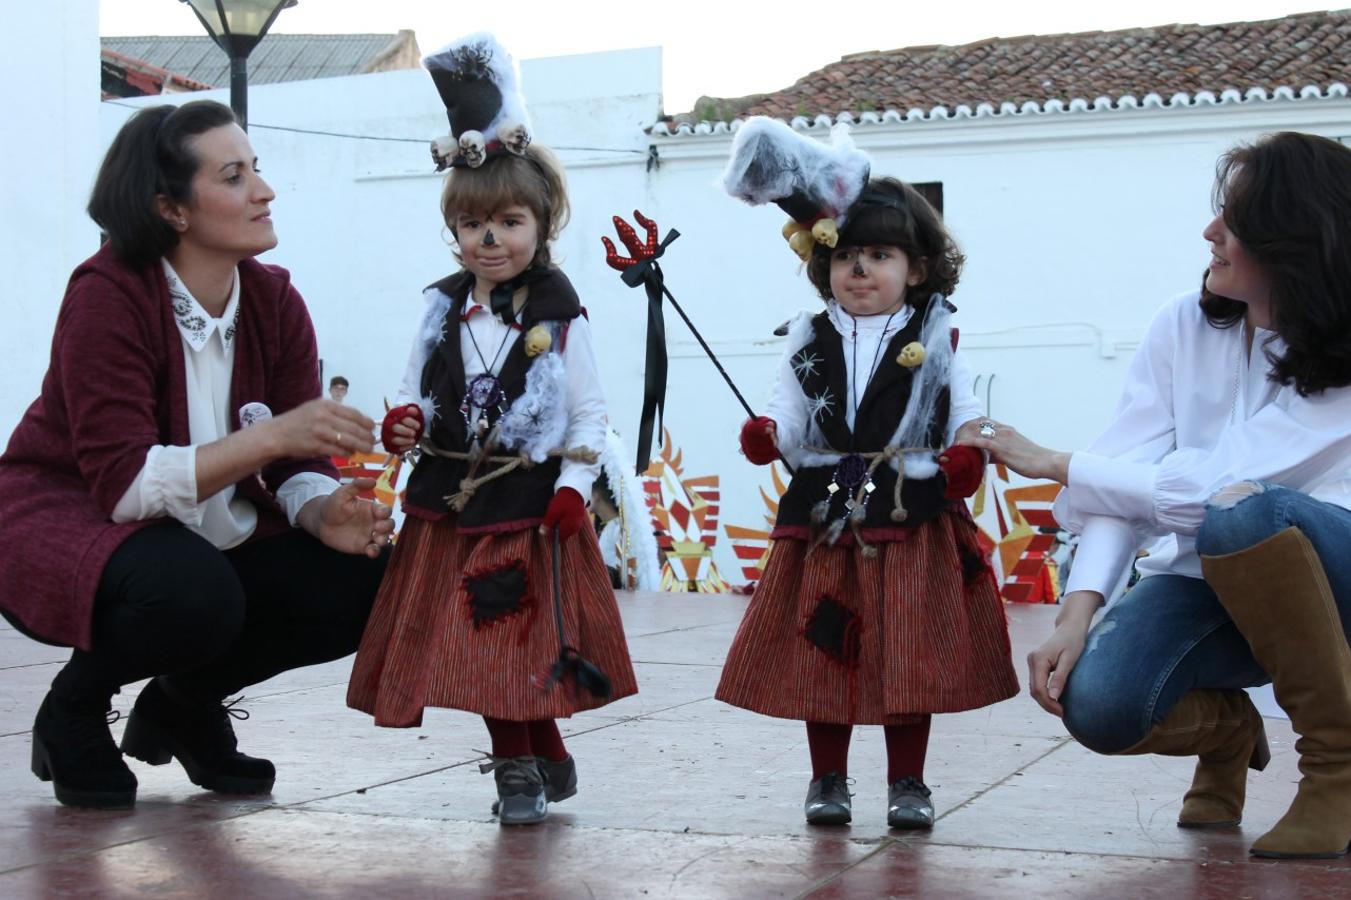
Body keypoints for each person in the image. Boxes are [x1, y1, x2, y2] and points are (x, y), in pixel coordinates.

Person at [963, 132, 1351, 860]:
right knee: (1101, 705)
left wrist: (1052, 460)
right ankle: (1230, 732)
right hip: (1217, 584)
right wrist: (1076, 616)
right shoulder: (1183, 323)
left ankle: (1334, 768)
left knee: (1244, 511)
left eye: (1231, 221)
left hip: (1339, 580)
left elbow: (1207, 493)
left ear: (1291, 240)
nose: (1209, 233)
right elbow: (1119, 472)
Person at [0, 100, 393, 810]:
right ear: (171, 209)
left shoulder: (274, 301)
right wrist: (275, 435)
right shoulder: (108, 294)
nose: (264, 191)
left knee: (362, 579)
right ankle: (74, 708)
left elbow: (290, 466)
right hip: (74, 509)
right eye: (235, 176)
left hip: (207, 530)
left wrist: (322, 512)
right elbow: (122, 486)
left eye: (257, 171)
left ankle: (183, 704)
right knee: (192, 593)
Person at [346, 35, 637, 827]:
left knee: (503, 641)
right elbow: (410, 391)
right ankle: (525, 764)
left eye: (508, 222)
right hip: (446, 503)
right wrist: (401, 425)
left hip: (528, 507)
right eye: (472, 224)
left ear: (543, 224)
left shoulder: (561, 314)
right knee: (477, 650)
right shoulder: (440, 307)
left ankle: (531, 762)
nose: (489, 240)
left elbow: (589, 414)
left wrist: (575, 490)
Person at [715, 118, 1019, 829]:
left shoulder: (937, 335)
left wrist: (967, 451)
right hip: (823, 512)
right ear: (822, 262)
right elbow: (785, 415)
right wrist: (767, 437)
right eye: (846, 255)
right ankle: (827, 779)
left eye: (879, 254)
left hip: (912, 512)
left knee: (905, 654)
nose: (859, 269)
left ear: (915, 268)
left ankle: (907, 783)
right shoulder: (806, 334)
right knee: (828, 646)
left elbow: (966, 411)